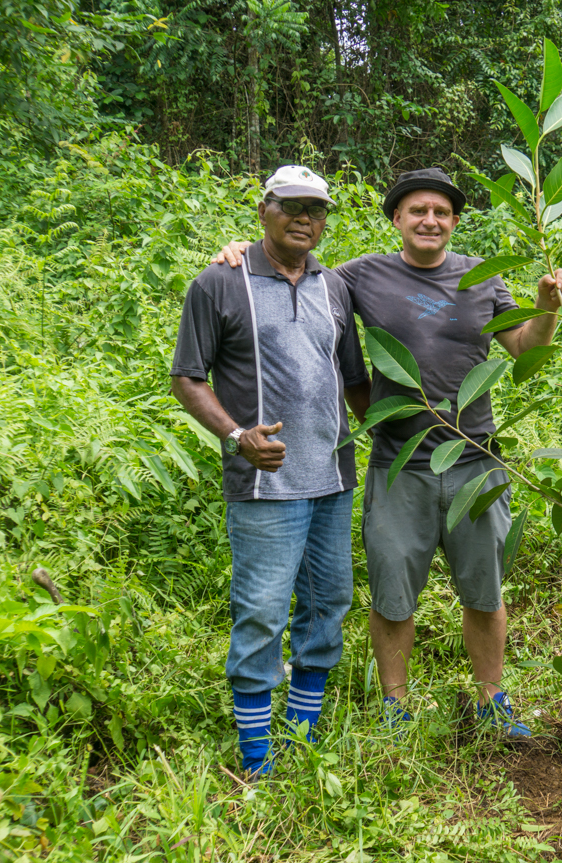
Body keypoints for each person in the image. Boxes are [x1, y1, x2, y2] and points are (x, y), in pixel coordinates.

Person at [215, 167, 562, 735]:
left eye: (442, 212)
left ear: (454, 222)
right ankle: (396, 708)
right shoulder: (360, 276)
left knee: (484, 590)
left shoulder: (483, 279)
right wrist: (240, 250)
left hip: (477, 460)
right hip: (399, 463)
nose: (430, 220)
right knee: (393, 594)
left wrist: (546, 305)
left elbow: (526, 353)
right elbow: (295, 270)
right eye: (417, 211)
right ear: (398, 220)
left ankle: (492, 703)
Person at [172, 165, 372, 775]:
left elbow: (355, 380)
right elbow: (187, 376)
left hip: (334, 480)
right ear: (264, 210)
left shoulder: (334, 287)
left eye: (316, 210)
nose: (304, 219)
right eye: (291, 207)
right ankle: (257, 755)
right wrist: (236, 436)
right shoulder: (220, 282)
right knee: (261, 610)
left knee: (328, 603)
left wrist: (390, 443)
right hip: (265, 485)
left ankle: (301, 731)